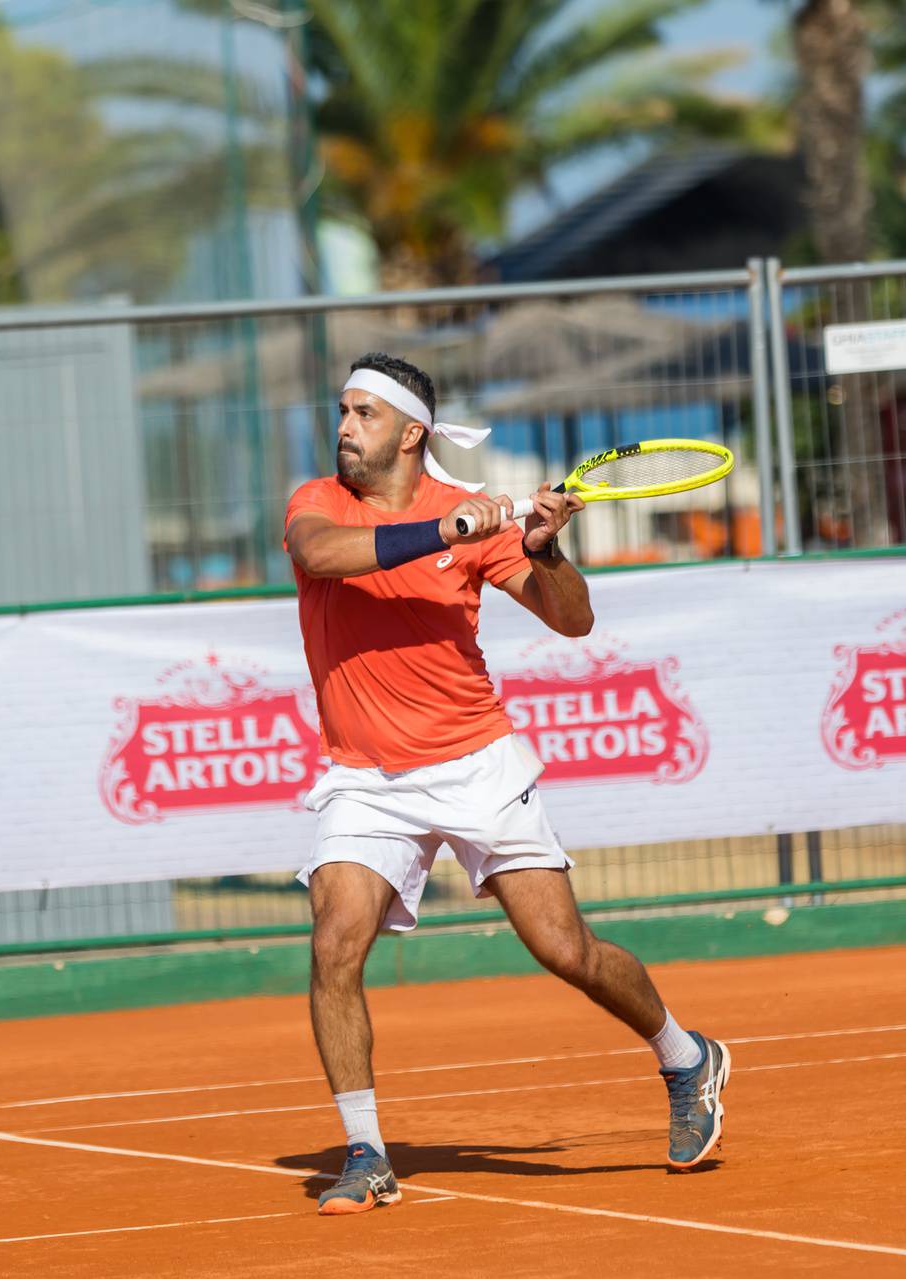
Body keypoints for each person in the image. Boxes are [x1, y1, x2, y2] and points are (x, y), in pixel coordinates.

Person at [282, 352, 730, 1216]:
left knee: (567, 951)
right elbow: (326, 556)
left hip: (476, 762)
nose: (344, 427)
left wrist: (540, 545)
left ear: (411, 435)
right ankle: (367, 1150)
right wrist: (446, 533)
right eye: (342, 410)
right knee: (336, 940)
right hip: (366, 777)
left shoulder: (475, 518)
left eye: (364, 415)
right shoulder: (318, 504)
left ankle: (685, 1056)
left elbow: (574, 618)